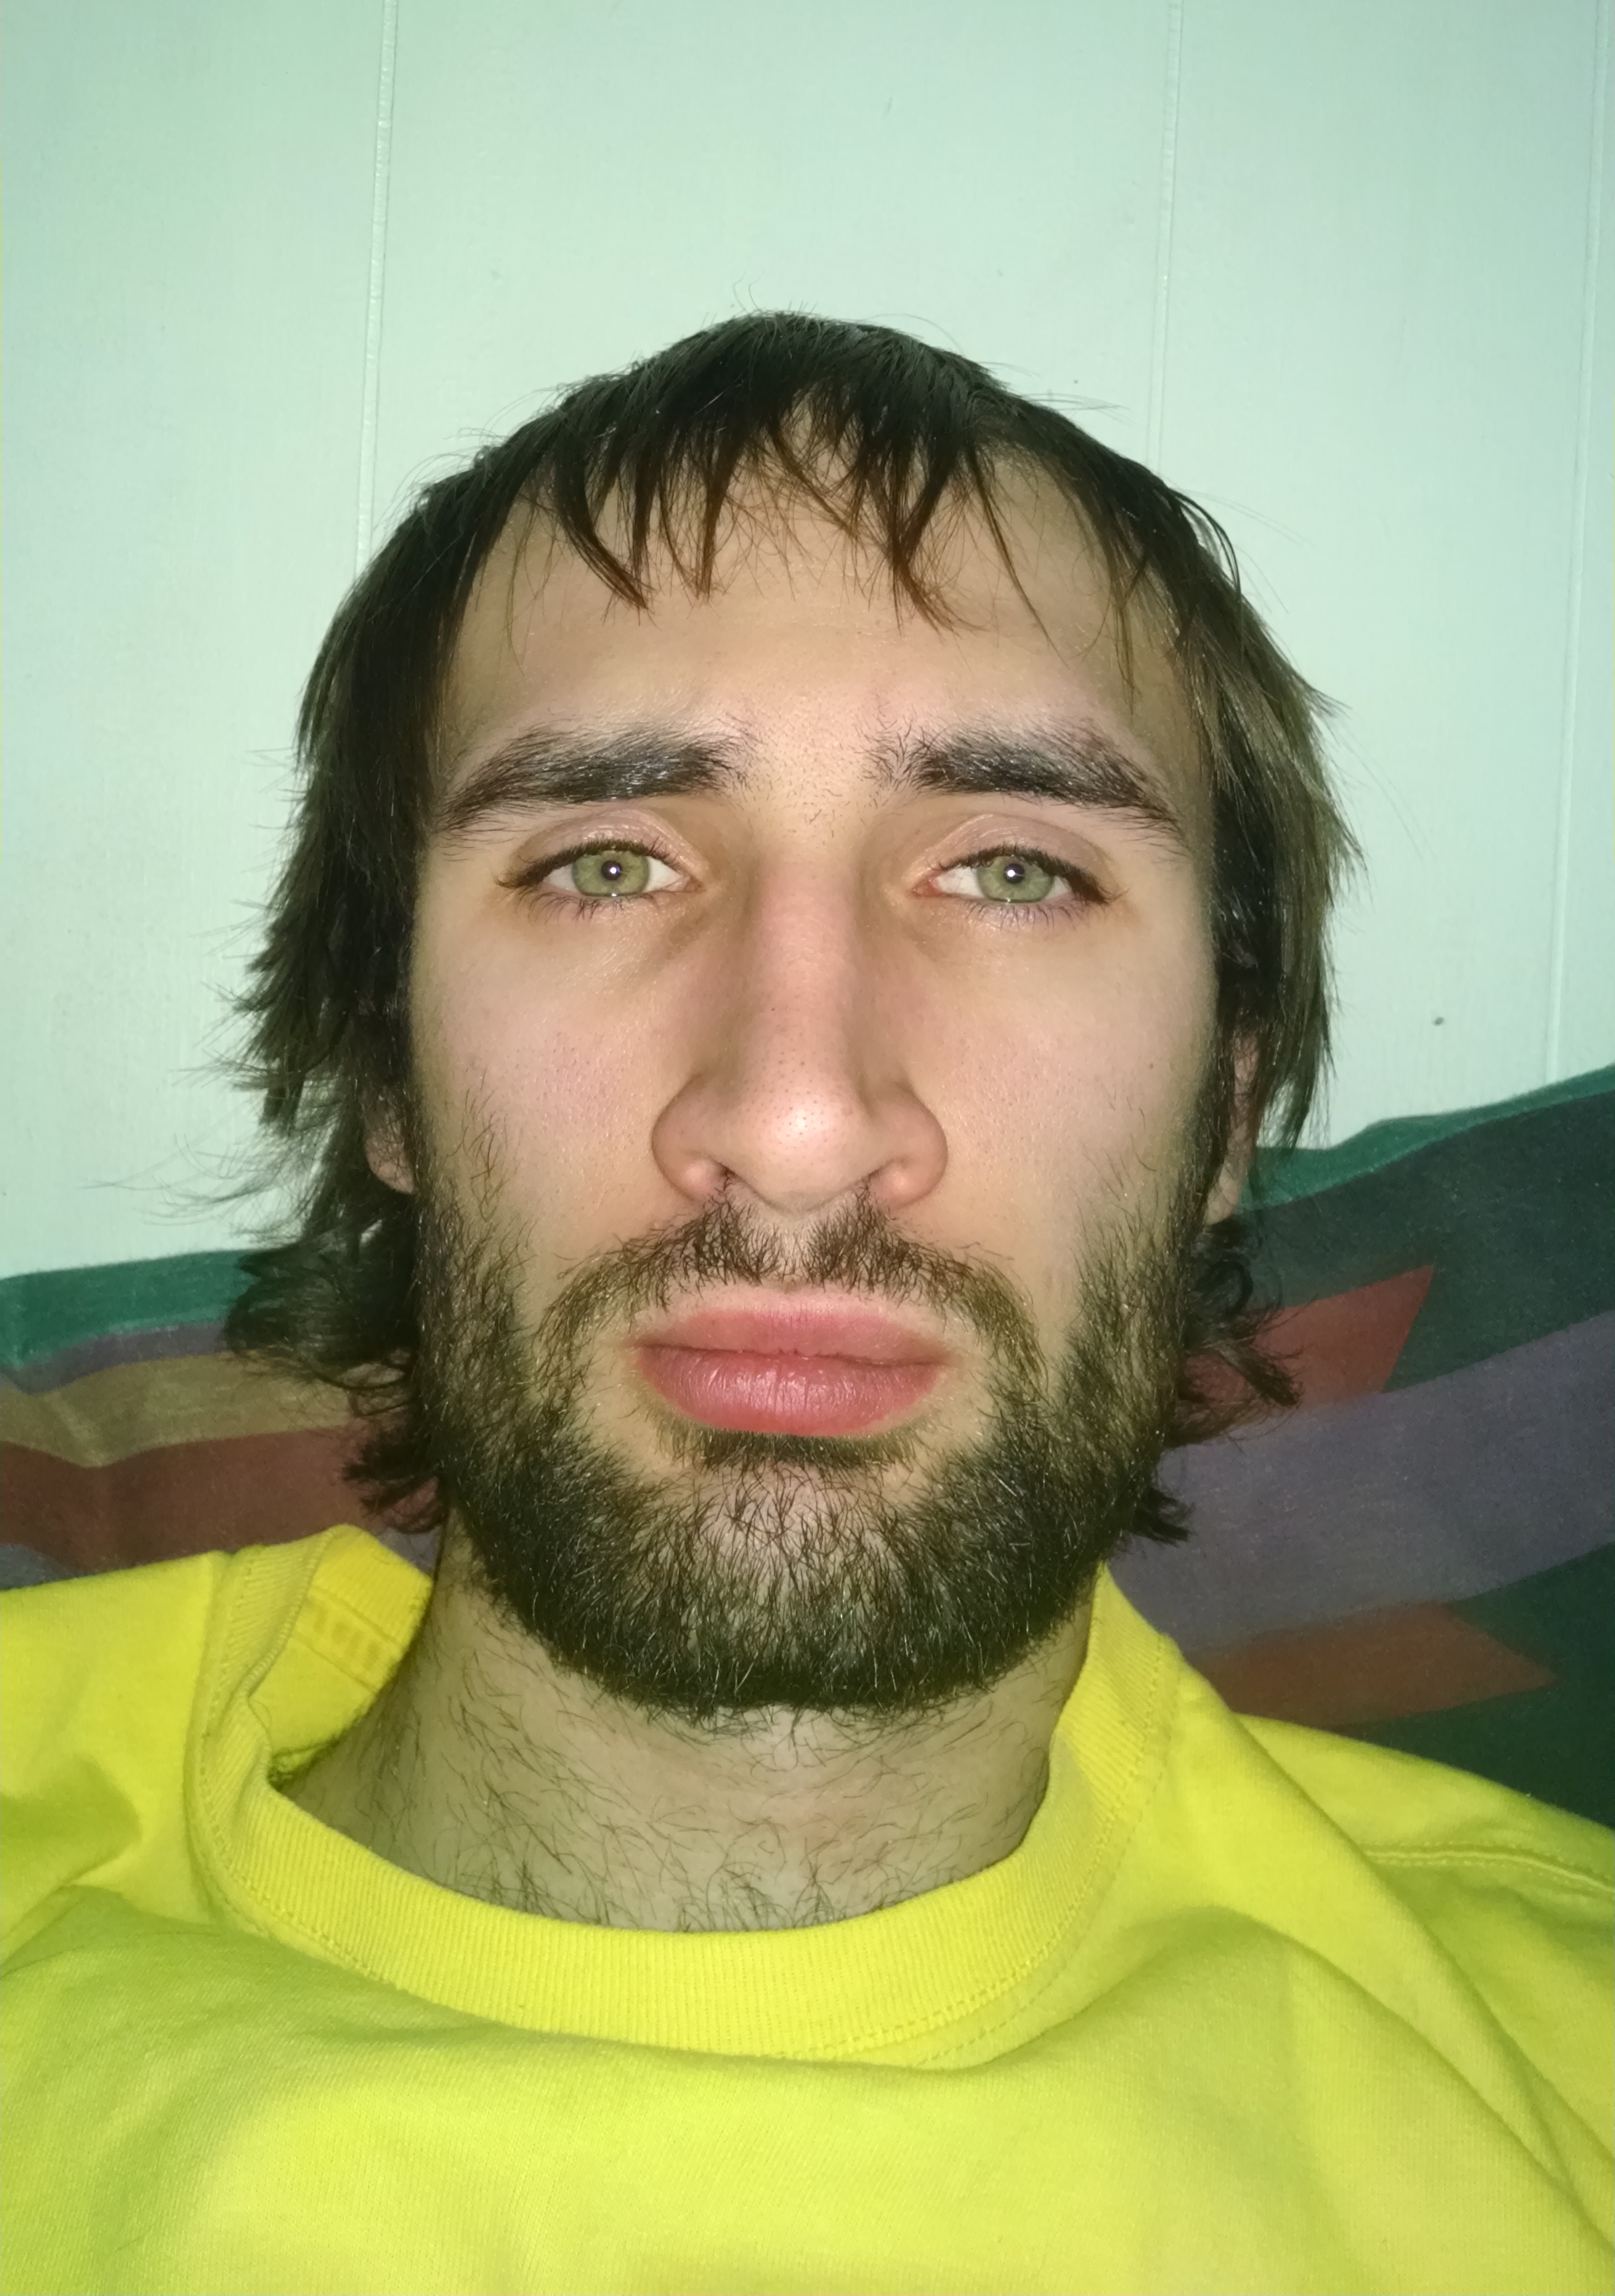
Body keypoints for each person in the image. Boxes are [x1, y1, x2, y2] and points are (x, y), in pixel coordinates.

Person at [3, 314, 1608, 2296]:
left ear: (1226, 1111)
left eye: (1013, 871)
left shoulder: (1563, 2065)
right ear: (390, 1077)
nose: (793, 1122)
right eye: (607, 863)